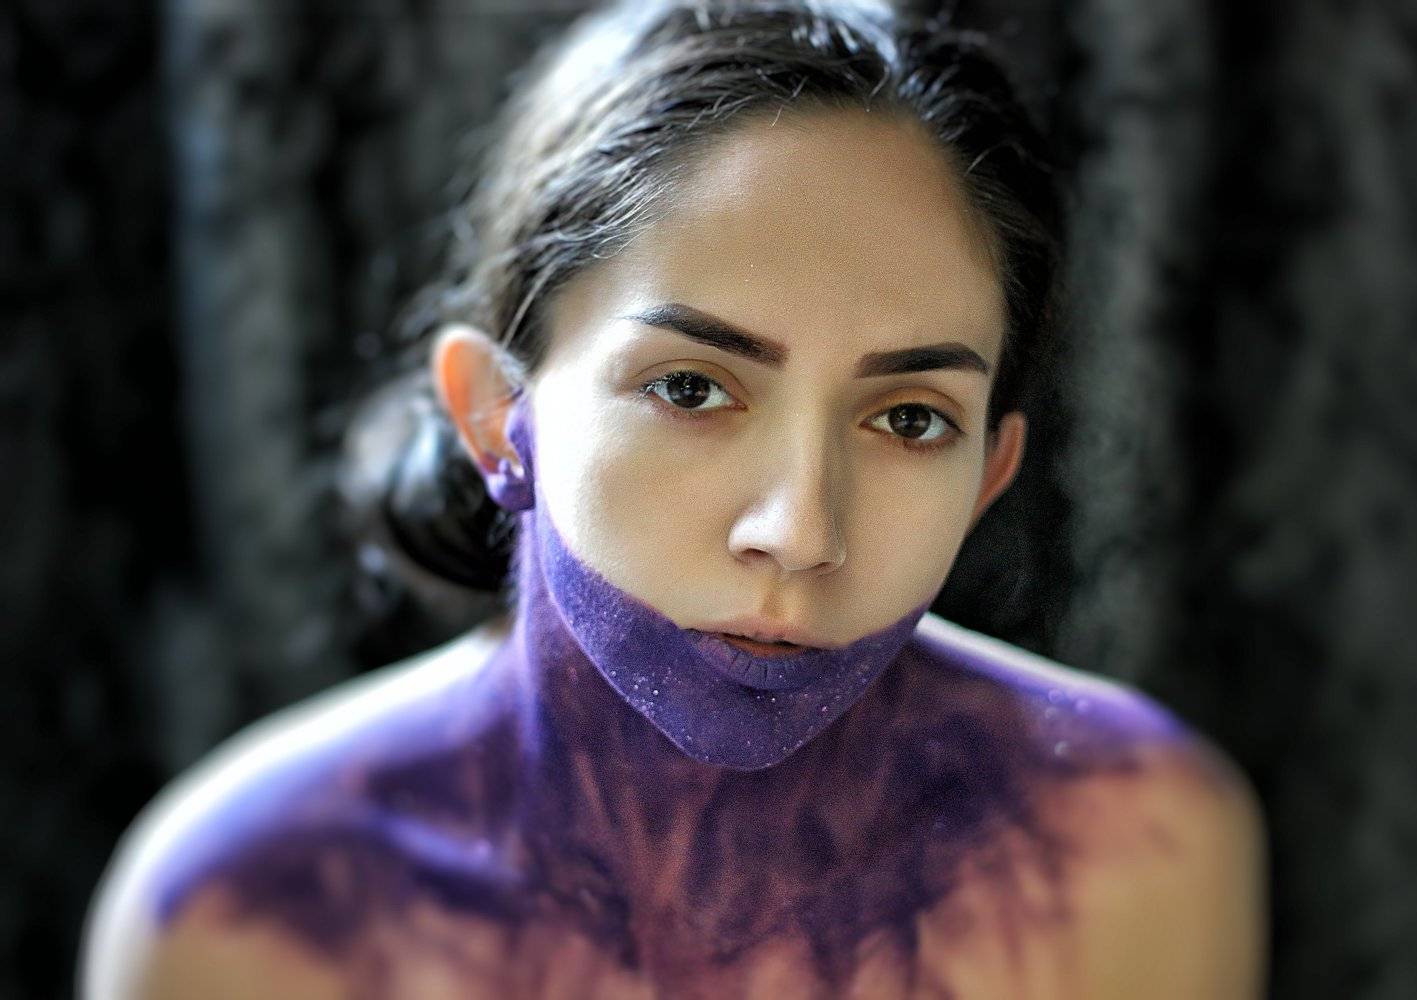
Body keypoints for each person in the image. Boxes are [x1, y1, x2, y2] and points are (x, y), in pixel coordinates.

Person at [80, 1, 1267, 996]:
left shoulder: (1136, 845)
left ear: (990, 476)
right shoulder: (246, 910)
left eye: (910, 420)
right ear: (495, 415)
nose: (799, 533)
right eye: (692, 388)